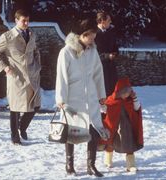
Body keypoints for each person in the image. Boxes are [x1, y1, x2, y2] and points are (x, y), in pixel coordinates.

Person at [55, 18, 109, 177]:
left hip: (90, 96)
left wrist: (101, 96)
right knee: (71, 130)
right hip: (73, 97)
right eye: (89, 36)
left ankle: (91, 164)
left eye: (94, 35)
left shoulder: (93, 51)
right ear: (81, 35)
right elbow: (62, 78)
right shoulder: (66, 52)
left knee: (93, 129)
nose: (92, 39)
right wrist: (61, 100)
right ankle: (69, 163)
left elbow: (98, 74)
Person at [0, 9, 41, 145]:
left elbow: (35, 51)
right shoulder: (7, 37)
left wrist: (37, 65)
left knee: (35, 105)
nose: (26, 23)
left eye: (27, 20)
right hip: (16, 76)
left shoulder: (32, 34)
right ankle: (15, 137)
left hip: (32, 74)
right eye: (23, 20)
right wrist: (5, 67)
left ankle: (22, 127)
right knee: (15, 108)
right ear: (16, 20)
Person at [99, 77, 143, 172]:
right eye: (124, 92)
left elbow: (137, 108)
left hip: (127, 128)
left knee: (129, 146)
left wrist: (135, 98)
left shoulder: (130, 100)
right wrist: (102, 104)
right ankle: (108, 160)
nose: (126, 94)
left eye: (128, 92)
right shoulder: (111, 100)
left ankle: (131, 165)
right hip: (114, 127)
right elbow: (104, 110)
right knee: (110, 144)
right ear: (118, 91)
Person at [95, 11, 119, 97]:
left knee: (113, 91)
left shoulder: (111, 32)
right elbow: (94, 53)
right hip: (99, 68)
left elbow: (115, 46)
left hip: (111, 67)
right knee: (102, 92)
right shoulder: (94, 34)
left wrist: (115, 53)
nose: (111, 22)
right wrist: (107, 56)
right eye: (109, 20)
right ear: (102, 21)